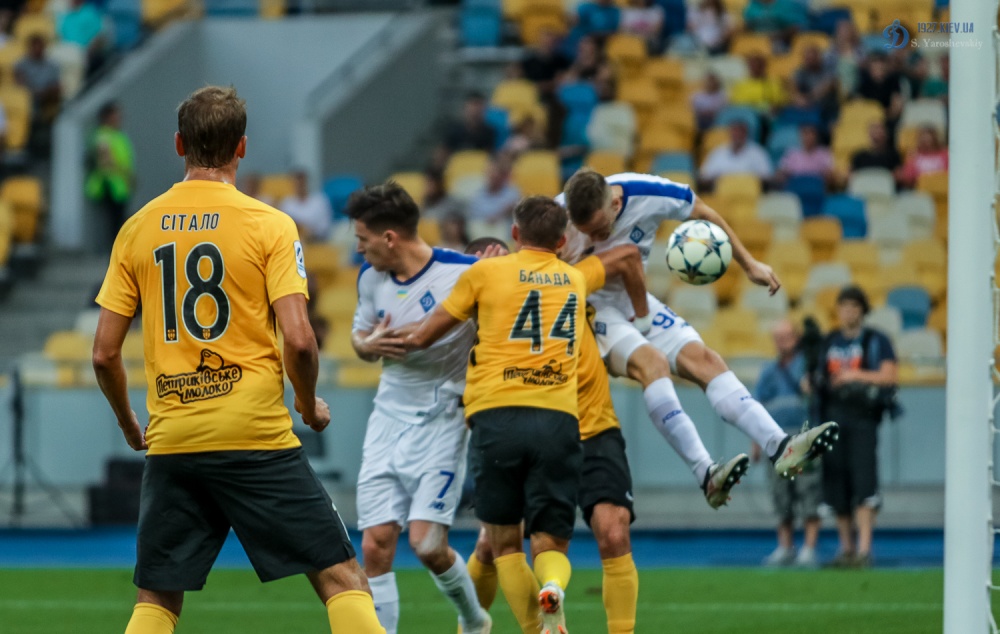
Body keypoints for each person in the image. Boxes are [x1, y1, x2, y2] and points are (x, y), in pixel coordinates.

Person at [90, 86, 383, 634]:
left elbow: (104, 353)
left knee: (157, 599)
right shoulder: (270, 224)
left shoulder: (137, 228)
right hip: (254, 434)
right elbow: (300, 340)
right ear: (241, 147)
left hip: (174, 436)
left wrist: (132, 426)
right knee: (343, 580)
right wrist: (307, 406)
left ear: (179, 144)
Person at [559, 169, 839, 506]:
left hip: (634, 298)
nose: (595, 238)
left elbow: (704, 211)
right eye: (588, 233)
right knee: (654, 363)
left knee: (706, 359)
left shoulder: (649, 193)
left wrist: (748, 263)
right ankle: (705, 471)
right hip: (591, 309)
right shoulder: (559, 215)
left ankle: (780, 446)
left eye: (601, 229)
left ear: (616, 204)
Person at [404, 196, 595, 634]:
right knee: (551, 540)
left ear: (514, 233)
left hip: (497, 416)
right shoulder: (576, 279)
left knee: (504, 545)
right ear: (562, 241)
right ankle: (553, 585)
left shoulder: (486, 273)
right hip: (558, 417)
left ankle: (535, 629)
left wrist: (385, 339)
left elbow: (427, 333)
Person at [462, 237, 650, 634]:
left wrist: (643, 317)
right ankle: (475, 625)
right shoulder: (476, 328)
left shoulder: (564, 279)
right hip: (528, 428)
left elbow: (626, 255)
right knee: (492, 545)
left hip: (592, 427)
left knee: (613, 531)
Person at [346, 184, 492, 634]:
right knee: (375, 545)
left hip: (443, 421)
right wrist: (367, 345)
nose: (358, 248)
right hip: (387, 418)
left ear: (389, 238)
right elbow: (359, 337)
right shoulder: (370, 279)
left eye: (363, 239)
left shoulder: (464, 273)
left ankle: (474, 620)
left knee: (427, 544)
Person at [812, 286, 898, 568]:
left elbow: (889, 376)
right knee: (837, 486)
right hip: (833, 419)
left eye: (853, 306)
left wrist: (854, 375)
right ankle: (846, 549)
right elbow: (818, 379)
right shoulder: (829, 341)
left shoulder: (876, 340)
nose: (848, 312)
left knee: (864, 485)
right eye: (844, 306)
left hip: (863, 419)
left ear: (862, 310)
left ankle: (864, 549)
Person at [752, 320, 822, 568]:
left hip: (805, 439)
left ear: (797, 337)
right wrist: (756, 441)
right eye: (778, 337)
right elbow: (756, 407)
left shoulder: (810, 365)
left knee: (809, 492)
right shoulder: (769, 370)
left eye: (787, 336)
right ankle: (786, 547)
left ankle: (809, 548)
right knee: (780, 496)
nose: (782, 341)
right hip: (775, 442)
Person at [85, 101, 135, 250]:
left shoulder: (117, 134)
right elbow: (105, 161)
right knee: (114, 223)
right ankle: (115, 252)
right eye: (115, 115)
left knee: (119, 221)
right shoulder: (104, 136)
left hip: (120, 185)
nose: (119, 118)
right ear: (106, 117)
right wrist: (125, 173)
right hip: (111, 185)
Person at [699, 120, 774, 189]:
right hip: (722, 196)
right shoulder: (717, 152)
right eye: (735, 131)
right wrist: (721, 180)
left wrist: (746, 180)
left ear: (746, 133)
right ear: (730, 133)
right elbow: (704, 178)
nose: (738, 135)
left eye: (741, 131)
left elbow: (767, 179)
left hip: (751, 195)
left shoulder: (758, 153)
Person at [279, 169, 333, 242]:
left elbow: (325, 227)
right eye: (297, 181)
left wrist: (308, 231)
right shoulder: (286, 203)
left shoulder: (320, 200)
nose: (300, 184)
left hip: (316, 242)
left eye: (302, 181)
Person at [57, 0, 108, 75]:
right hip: (68, 51)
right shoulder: (65, 16)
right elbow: (61, 37)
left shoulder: (90, 13)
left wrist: (88, 52)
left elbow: (98, 36)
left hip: (85, 52)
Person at [468, 159, 521, 223]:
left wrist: (501, 215)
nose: (492, 177)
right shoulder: (478, 194)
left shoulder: (512, 192)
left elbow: (514, 211)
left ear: (503, 176)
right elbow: (474, 216)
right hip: (480, 226)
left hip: (504, 226)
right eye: (490, 173)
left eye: (495, 174)